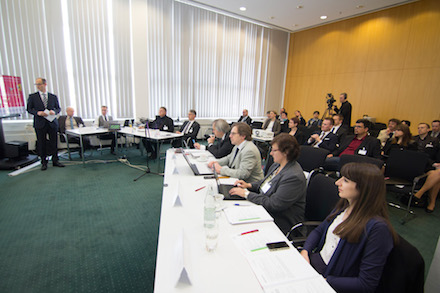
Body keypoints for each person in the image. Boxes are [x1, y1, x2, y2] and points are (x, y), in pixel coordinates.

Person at [300, 162, 398, 293]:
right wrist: (305, 251)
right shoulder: (344, 206)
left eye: (345, 180)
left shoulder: (377, 229)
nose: (337, 183)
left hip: (328, 280)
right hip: (314, 265)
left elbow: (366, 284)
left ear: (364, 187)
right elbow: (319, 231)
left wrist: (323, 281)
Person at [229, 133, 306, 234]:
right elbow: (265, 182)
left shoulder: (293, 177)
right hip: (265, 208)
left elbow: (274, 204)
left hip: (280, 220)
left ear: (286, 152)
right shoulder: (277, 166)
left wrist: (246, 194)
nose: (271, 153)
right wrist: (249, 185)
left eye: (274, 150)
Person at [27, 77, 64, 170]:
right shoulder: (32, 97)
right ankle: (44, 162)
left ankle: (55, 160)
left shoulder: (53, 96)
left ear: (45, 84)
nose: (38, 86)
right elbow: (29, 109)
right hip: (40, 123)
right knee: (41, 143)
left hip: (52, 122)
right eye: (36, 84)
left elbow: (58, 108)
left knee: (54, 142)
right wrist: (38, 113)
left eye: (39, 84)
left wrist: (54, 112)